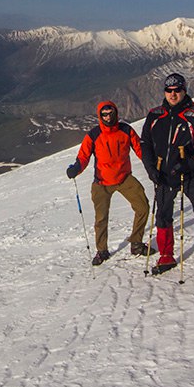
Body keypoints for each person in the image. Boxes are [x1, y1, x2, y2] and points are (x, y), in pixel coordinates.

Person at [140, 73, 194, 282]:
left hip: (190, 174)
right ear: (164, 92)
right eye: (169, 90)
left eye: (177, 90)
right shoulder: (155, 115)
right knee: (162, 216)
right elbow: (145, 145)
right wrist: (151, 170)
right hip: (163, 175)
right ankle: (166, 257)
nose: (173, 94)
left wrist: (189, 163)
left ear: (184, 90)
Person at [67, 100, 152, 265]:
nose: (108, 116)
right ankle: (102, 250)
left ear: (116, 113)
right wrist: (76, 168)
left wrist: (153, 166)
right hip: (102, 182)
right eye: (104, 114)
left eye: (110, 112)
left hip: (124, 178)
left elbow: (140, 150)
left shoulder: (126, 130)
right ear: (100, 116)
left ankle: (136, 243)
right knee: (101, 218)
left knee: (143, 207)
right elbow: (83, 156)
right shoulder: (94, 134)